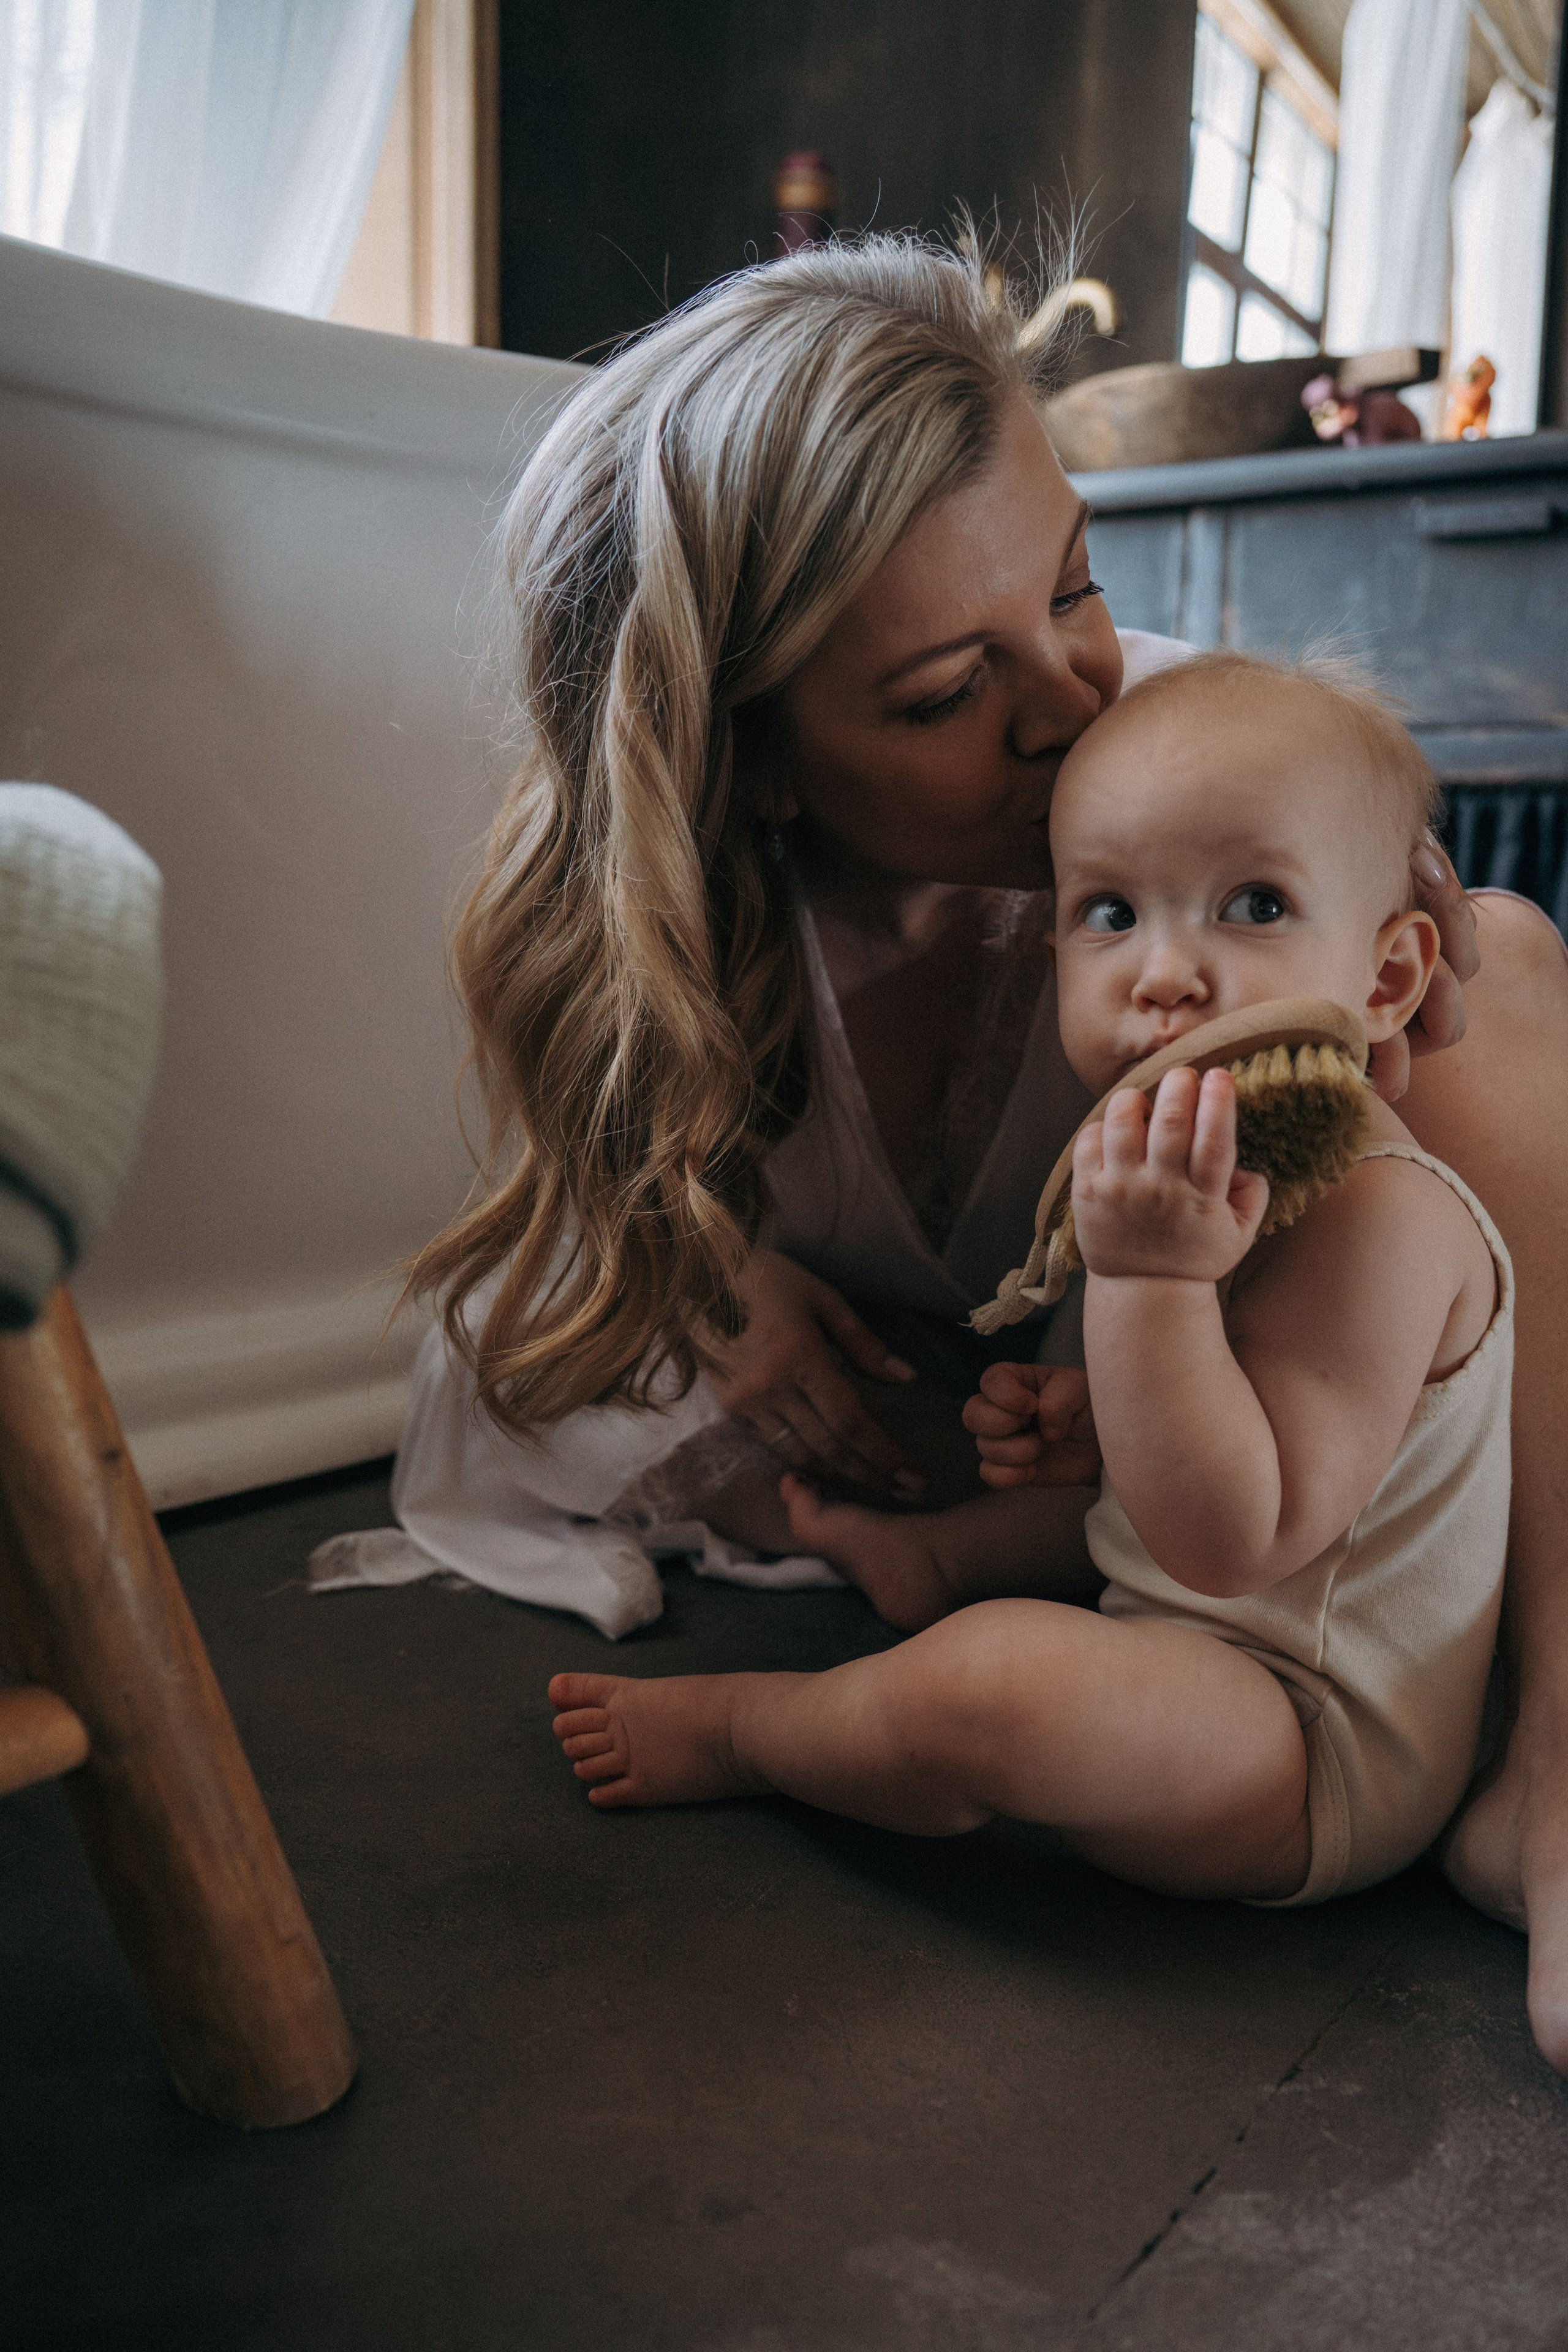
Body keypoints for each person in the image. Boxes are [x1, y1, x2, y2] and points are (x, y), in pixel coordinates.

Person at [389, 238, 1568, 2062]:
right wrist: (721, 1275)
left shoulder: (1171, 791)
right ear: (750, 761)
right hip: (1065, 1413)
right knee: (626, 1357)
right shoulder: (662, 933)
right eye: (947, 691)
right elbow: (579, 1196)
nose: (1074, 703)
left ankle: (1559, 1747)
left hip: (1230, 1413)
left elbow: (1430, 939)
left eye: (1078, 586)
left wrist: (1333, 876)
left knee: (1500, 1001)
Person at [548, 651, 1513, 1913]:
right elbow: (1220, 1437)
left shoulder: (1379, 1211)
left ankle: (757, 1733)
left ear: (1385, 976)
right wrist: (1101, 1419)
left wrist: (1148, 1291)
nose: (1164, 971)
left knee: (993, 1686)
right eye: (1110, 914)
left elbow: (1229, 1539)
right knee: (1066, 1512)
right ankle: (934, 1559)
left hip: (1303, 1744)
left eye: (1254, 906)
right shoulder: (1213, 1170)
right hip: (1184, 1640)